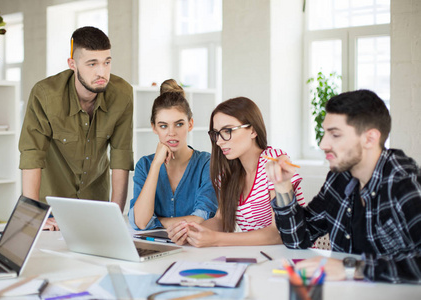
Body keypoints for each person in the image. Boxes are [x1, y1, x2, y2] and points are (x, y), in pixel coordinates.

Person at [268, 89, 421, 283]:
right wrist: (282, 186)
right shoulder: (339, 178)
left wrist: (352, 269)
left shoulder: (404, 183)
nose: (323, 144)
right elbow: (298, 239)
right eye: (325, 133)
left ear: (370, 138)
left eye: (335, 135)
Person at [19, 26, 134, 230]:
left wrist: (114, 214)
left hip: (97, 207)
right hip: (51, 208)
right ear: (72, 64)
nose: (102, 72)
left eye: (106, 62)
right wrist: (34, 215)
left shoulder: (122, 94)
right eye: (92, 64)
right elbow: (31, 155)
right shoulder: (45, 95)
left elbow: (121, 156)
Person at [167, 97, 305, 247]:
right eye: (216, 133)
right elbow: (220, 220)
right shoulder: (228, 173)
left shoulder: (273, 161)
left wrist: (216, 239)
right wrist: (190, 230)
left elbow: (278, 233)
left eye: (227, 131)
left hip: (295, 257)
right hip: (261, 257)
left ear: (252, 130)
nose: (219, 141)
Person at [128, 79, 218, 230]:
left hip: (196, 249)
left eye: (179, 124)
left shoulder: (206, 163)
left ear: (190, 124)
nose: (171, 133)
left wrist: (155, 222)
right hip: (154, 247)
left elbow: (202, 219)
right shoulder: (145, 165)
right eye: (163, 126)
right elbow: (141, 221)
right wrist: (156, 164)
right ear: (154, 128)